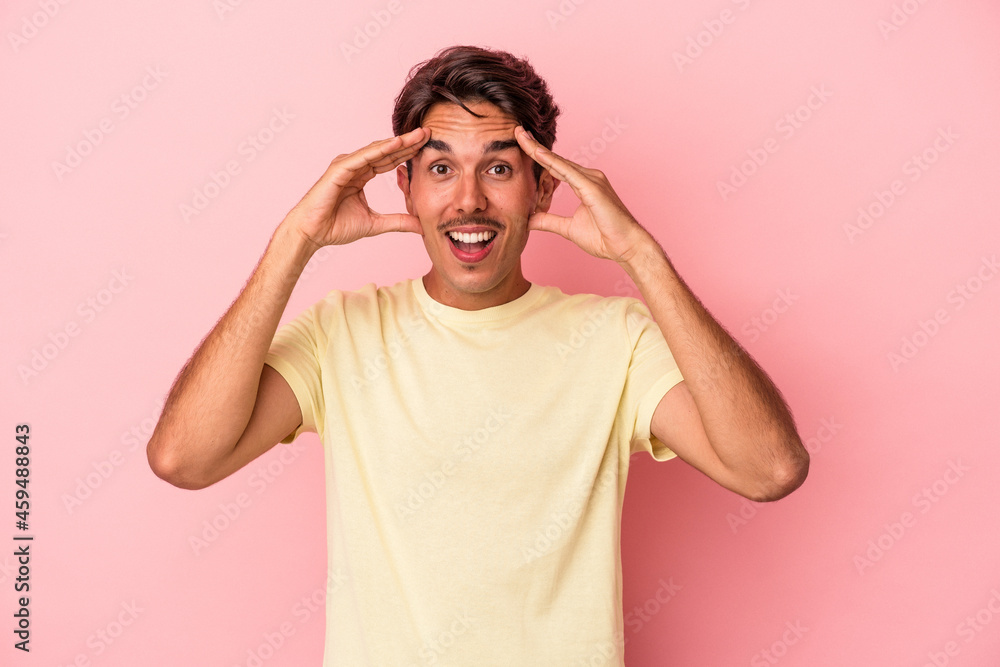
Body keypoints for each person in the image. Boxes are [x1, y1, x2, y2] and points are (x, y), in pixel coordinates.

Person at [147, 45, 809, 666]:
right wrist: (296, 237)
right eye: (441, 168)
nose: (469, 199)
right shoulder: (342, 333)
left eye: (498, 167)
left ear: (543, 188)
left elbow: (771, 468)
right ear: (404, 186)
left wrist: (641, 255)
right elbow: (184, 456)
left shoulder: (616, 340)